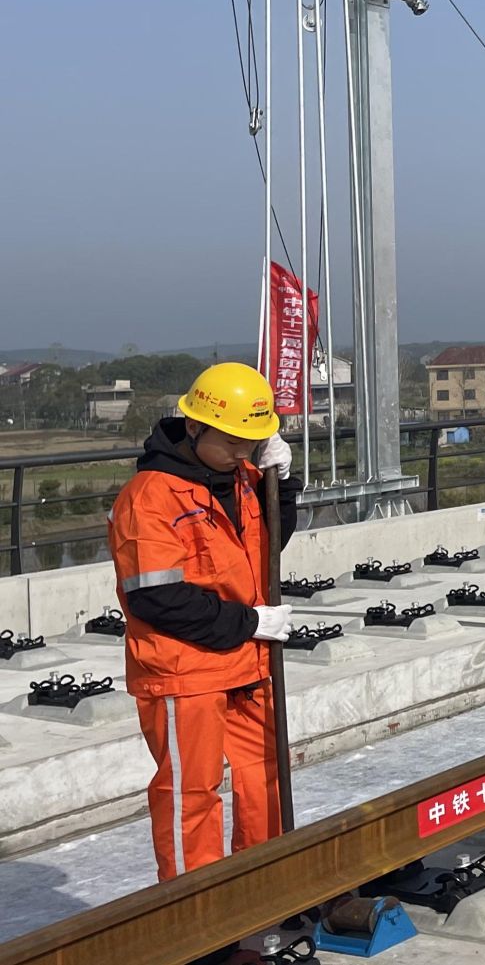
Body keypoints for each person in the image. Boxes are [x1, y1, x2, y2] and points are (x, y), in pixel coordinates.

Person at [108, 362, 300, 881]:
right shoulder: (150, 497)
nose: (244, 451)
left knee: (264, 778)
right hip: (183, 669)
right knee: (190, 793)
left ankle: (266, 887)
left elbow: (264, 551)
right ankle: (197, 912)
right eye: (235, 440)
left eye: (252, 441)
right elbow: (156, 597)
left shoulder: (241, 481)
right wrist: (248, 622)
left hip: (246, 661)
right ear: (194, 427)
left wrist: (281, 486)